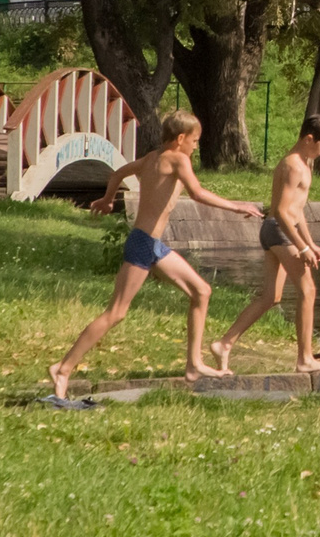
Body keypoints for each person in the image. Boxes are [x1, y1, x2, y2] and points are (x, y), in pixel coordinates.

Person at [49, 110, 262, 399]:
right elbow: (197, 193)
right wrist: (239, 207)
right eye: (195, 141)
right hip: (144, 244)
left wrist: (108, 198)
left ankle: (193, 365)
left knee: (202, 291)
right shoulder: (178, 158)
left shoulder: (151, 158)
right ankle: (62, 368)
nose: (196, 147)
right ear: (181, 139)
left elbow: (119, 173)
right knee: (116, 312)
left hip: (152, 244)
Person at [213, 115, 320, 375]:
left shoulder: (306, 163)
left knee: (271, 297)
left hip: (281, 231)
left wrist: (310, 243)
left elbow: (297, 210)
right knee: (308, 291)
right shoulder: (292, 165)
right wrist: (301, 247)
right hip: (278, 231)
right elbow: (281, 212)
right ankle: (305, 359)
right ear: (308, 139)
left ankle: (224, 344)